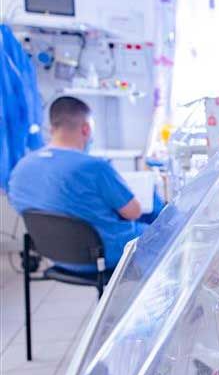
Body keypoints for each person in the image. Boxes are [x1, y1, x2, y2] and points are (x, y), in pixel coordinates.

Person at [8, 96, 162, 273]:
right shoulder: (94, 167)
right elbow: (133, 212)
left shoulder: (21, 167)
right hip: (101, 255)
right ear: (86, 129)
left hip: (54, 253)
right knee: (158, 227)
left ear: (52, 128)